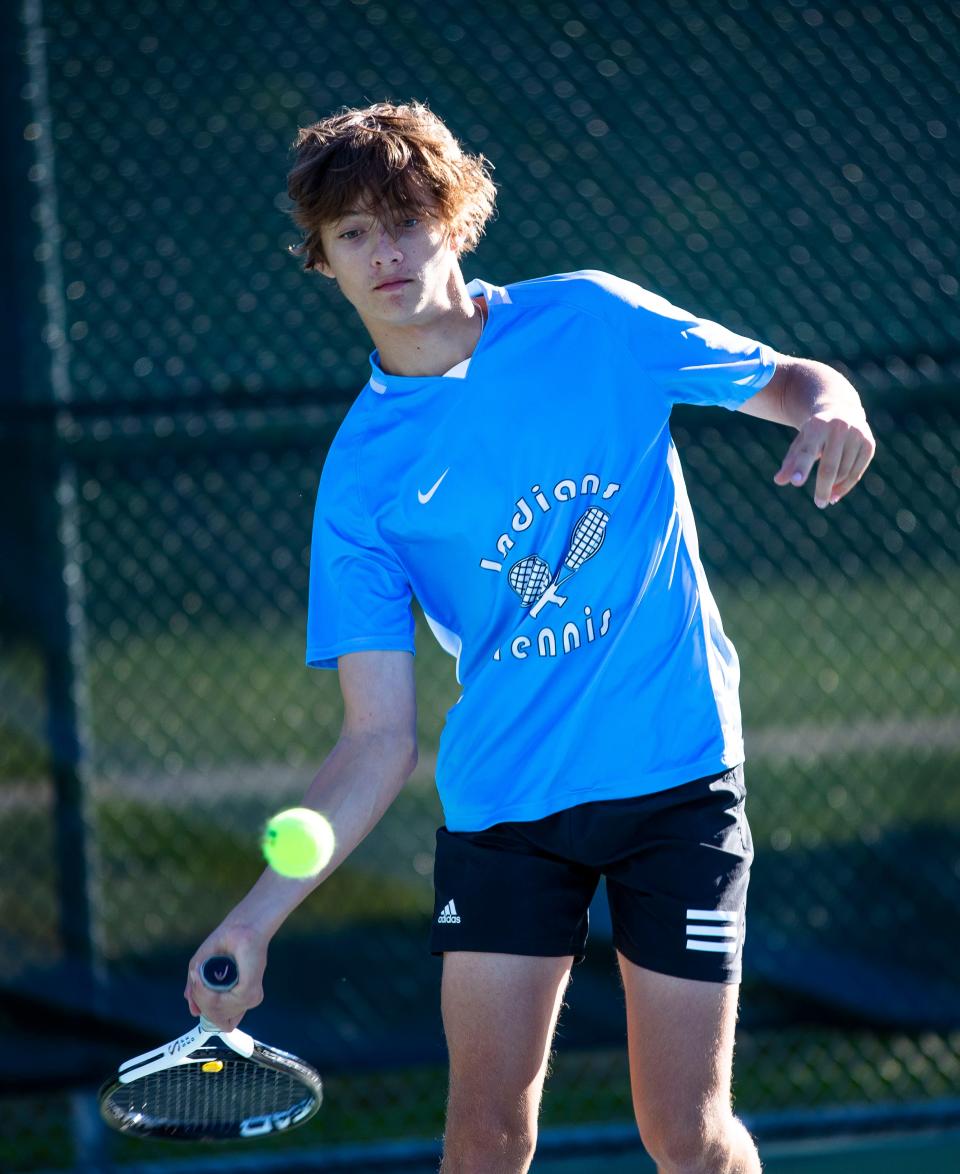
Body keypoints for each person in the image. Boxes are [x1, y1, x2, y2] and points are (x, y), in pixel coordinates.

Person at [184, 100, 875, 1173]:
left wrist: (831, 407)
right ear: (322, 260)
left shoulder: (595, 321)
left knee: (685, 1134)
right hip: (506, 807)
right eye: (353, 234)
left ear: (455, 220)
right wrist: (255, 920)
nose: (385, 252)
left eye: (404, 219)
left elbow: (790, 381)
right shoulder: (362, 476)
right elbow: (376, 738)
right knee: (484, 1134)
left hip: (676, 777)